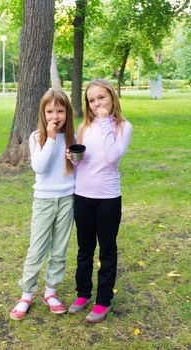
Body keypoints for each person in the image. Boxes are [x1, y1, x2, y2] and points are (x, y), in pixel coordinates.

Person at [66, 79, 133, 323]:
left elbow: (112, 157)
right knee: (84, 249)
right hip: (83, 195)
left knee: (107, 250)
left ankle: (103, 299)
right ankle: (83, 293)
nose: (96, 104)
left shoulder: (122, 126)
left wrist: (105, 122)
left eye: (101, 98)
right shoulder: (84, 126)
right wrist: (73, 158)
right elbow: (83, 160)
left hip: (108, 198)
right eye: (92, 100)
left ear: (112, 97)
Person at [10, 89, 75, 321]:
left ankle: (51, 291)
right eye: (50, 111)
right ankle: (27, 293)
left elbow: (77, 169)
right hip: (44, 200)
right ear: (43, 113)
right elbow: (39, 167)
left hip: (67, 199)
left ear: (67, 112)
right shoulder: (37, 136)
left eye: (60, 110)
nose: (55, 115)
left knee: (59, 249)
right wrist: (51, 138)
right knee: (37, 248)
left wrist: (77, 160)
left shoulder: (73, 137)